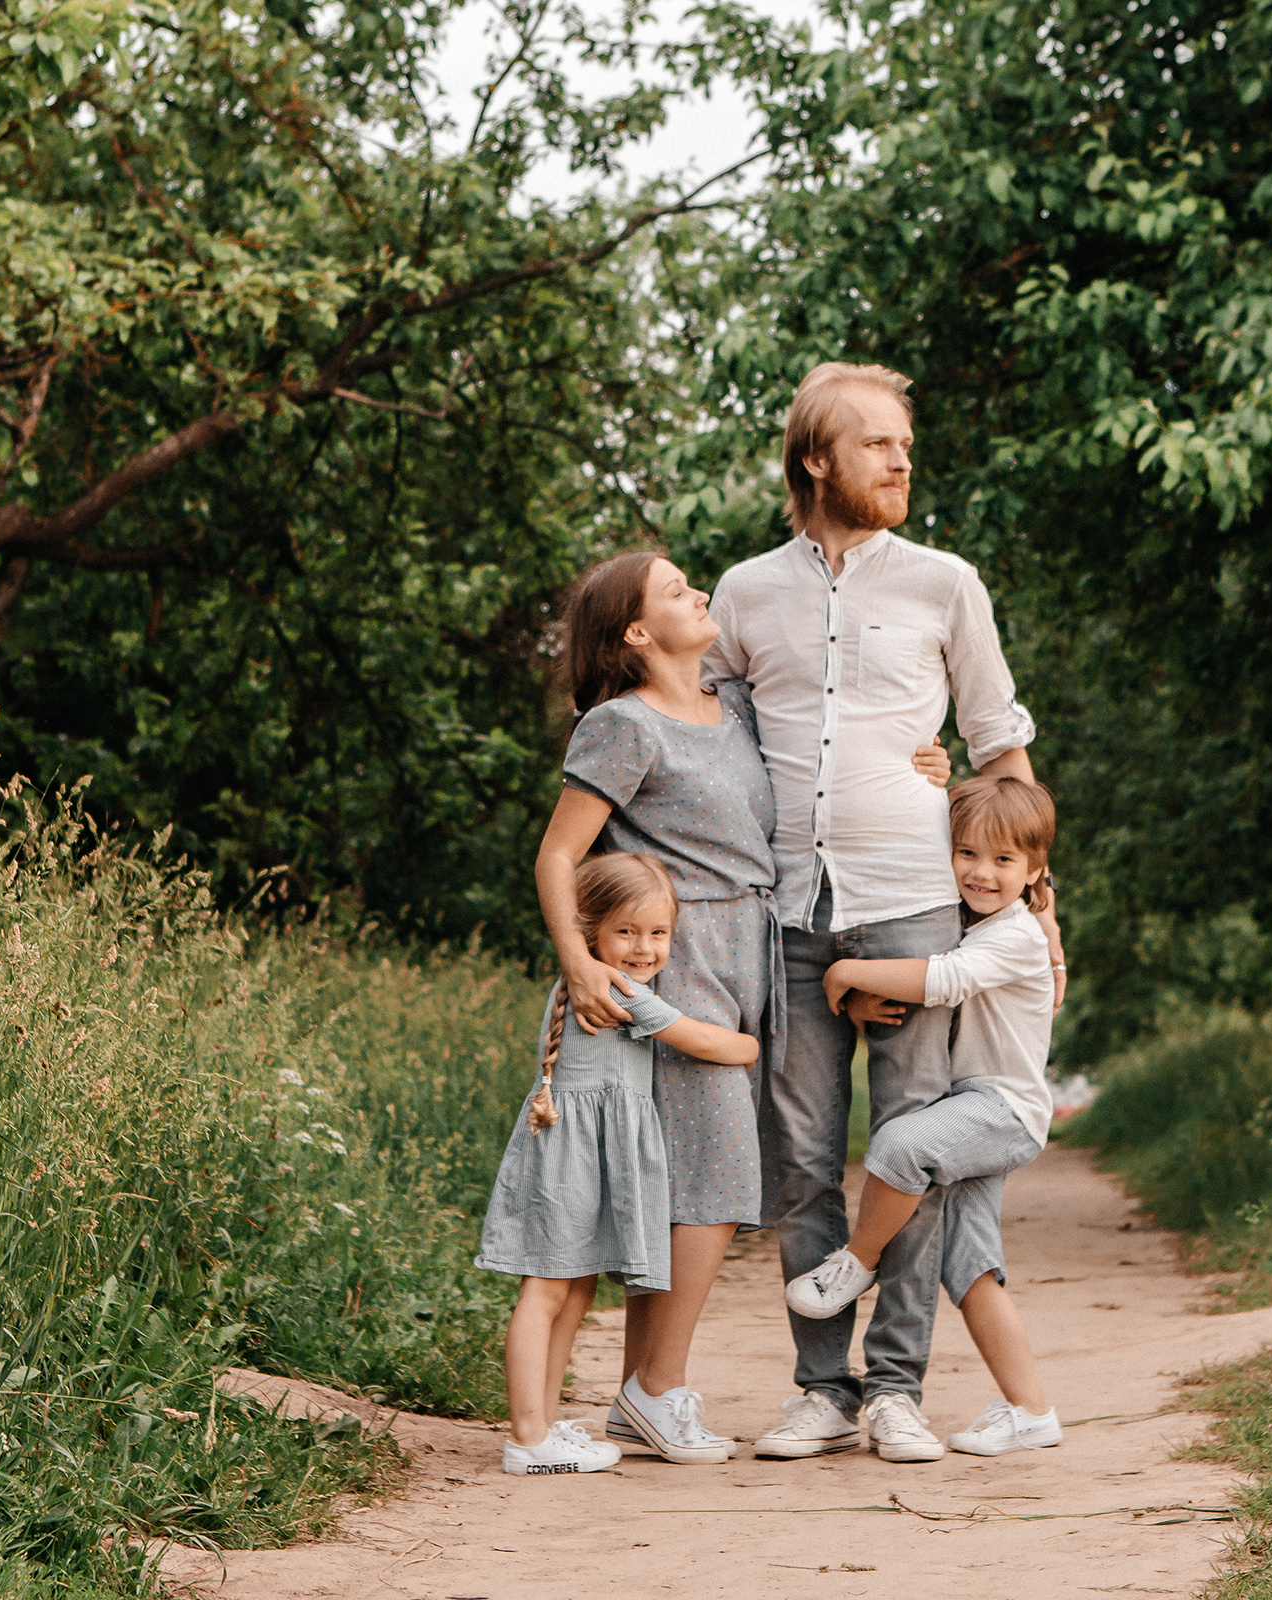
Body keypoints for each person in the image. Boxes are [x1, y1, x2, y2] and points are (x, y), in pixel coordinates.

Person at [705, 361, 1066, 1465]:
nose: (902, 459)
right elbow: (706, 734)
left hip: (915, 904)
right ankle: (823, 1384)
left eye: (905, 442)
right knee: (805, 1157)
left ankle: (897, 1390)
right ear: (816, 459)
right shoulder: (742, 592)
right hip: (786, 908)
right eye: (877, 443)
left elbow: (1001, 743)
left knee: (909, 1151)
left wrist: (1042, 902)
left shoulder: (946, 582)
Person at [534, 550, 951, 1465]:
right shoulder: (621, 726)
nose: (700, 593)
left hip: (757, 951)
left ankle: (642, 1391)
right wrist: (581, 964)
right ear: (637, 633)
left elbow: (828, 758)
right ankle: (658, 1389)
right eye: (678, 590)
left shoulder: (740, 709)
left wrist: (924, 759)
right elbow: (559, 855)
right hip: (674, 958)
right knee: (713, 1184)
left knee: (695, 1180)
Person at [785, 775, 1064, 1457]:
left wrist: (842, 974)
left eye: (1003, 860)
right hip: (971, 1111)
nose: (981, 871)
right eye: (966, 852)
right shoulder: (966, 922)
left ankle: (857, 1260)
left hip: (1001, 1109)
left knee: (900, 1145)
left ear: (1034, 871)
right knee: (968, 1264)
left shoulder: (1019, 936)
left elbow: (943, 980)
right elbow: (922, 979)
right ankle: (1030, 1410)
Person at [475, 852, 760, 1477]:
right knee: (547, 1290)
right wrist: (754, 1041)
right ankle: (526, 1436)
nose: (644, 947)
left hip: (581, 1148)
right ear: (589, 929)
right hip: (570, 1152)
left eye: (658, 933)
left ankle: (542, 1428)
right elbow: (730, 1046)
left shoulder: (606, 981)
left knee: (572, 1292)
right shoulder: (617, 990)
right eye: (626, 931)